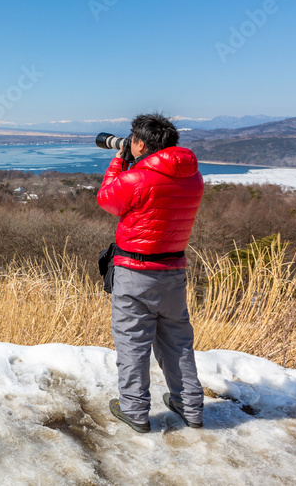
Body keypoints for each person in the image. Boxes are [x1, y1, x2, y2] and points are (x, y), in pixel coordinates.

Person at [96, 113, 205, 433]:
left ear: (140, 143)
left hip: (134, 270)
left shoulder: (137, 177)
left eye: (132, 140)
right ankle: (191, 406)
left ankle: (134, 411)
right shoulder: (193, 176)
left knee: (132, 342)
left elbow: (107, 199)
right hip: (173, 271)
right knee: (177, 342)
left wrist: (119, 162)